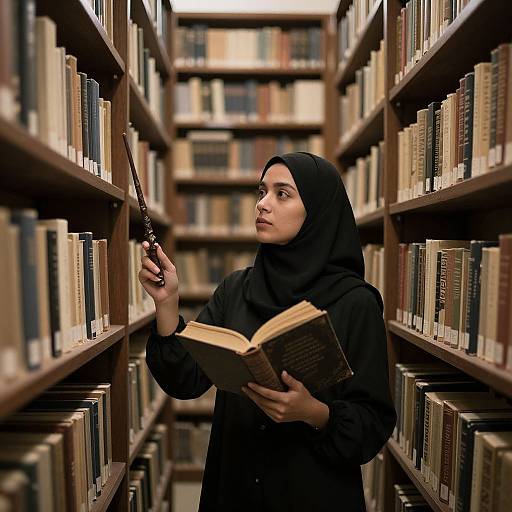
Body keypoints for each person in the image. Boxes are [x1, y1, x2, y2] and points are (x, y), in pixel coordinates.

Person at [140, 152, 396, 512]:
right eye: (261, 191)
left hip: (312, 494)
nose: (262, 204)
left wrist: (314, 412)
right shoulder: (236, 289)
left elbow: (373, 425)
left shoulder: (357, 303)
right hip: (235, 488)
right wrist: (167, 303)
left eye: (282, 194)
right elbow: (186, 381)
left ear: (317, 213)